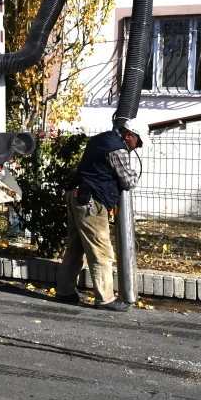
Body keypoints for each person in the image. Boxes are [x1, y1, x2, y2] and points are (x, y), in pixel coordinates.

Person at [56, 119, 146, 312]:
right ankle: (105, 299)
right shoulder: (118, 149)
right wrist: (133, 174)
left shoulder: (100, 139)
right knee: (102, 250)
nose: (138, 146)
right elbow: (128, 181)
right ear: (129, 135)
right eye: (138, 141)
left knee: (75, 246)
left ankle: (65, 292)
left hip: (75, 194)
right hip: (92, 201)